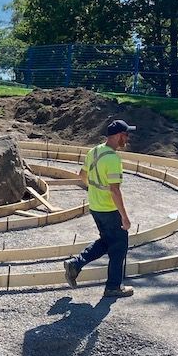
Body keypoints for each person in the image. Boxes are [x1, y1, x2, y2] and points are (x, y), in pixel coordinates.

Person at [64, 119, 136, 298]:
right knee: (119, 248)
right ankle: (113, 287)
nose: (127, 139)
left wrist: (95, 191)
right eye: (126, 135)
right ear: (119, 136)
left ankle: (76, 263)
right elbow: (115, 190)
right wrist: (125, 217)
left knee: (106, 241)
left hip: (95, 207)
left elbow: (82, 176)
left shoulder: (94, 151)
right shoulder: (113, 159)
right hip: (109, 210)